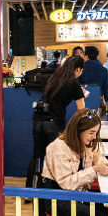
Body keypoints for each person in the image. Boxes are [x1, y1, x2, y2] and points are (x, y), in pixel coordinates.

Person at [24, 54, 87, 189]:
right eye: (81, 71)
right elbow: (82, 110)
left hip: (38, 119)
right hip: (53, 123)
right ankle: (52, 190)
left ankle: (30, 190)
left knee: (37, 155)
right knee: (55, 156)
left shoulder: (55, 77)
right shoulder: (73, 82)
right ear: (78, 69)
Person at [41, 109, 108, 191]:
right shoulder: (58, 148)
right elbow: (67, 183)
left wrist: (104, 164)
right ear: (78, 130)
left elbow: (97, 156)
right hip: (57, 195)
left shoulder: (84, 142)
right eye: (91, 133)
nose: (94, 137)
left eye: (96, 133)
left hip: (77, 192)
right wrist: (95, 170)